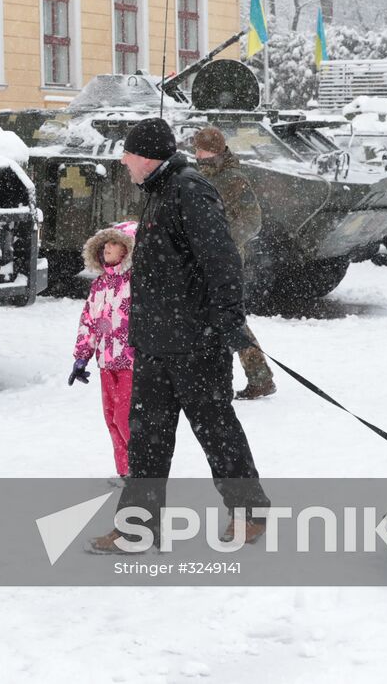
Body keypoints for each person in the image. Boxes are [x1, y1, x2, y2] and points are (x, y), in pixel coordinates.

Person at [91, 118, 270, 553]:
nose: (123, 161)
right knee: (146, 439)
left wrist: (226, 320)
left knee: (216, 429)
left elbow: (222, 258)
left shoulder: (190, 189)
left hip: (195, 341)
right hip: (155, 341)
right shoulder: (158, 191)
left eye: (128, 154)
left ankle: (249, 512)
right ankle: (139, 526)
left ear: (147, 157)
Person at [192, 126, 277, 400]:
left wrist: (223, 240)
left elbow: (252, 220)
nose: (197, 154)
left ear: (214, 150)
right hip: (203, 257)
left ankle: (258, 377)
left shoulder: (233, 179)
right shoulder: (201, 174)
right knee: (207, 315)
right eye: (196, 149)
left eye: (201, 150)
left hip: (225, 260)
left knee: (229, 317)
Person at [69, 221, 137, 479]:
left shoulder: (135, 282)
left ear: (127, 250)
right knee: (111, 419)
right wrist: (81, 357)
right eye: (105, 243)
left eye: (115, 243)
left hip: (131, 362)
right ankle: (124, 472)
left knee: (124, 418)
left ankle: (142, 470)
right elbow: (89, 322)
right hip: (106, 362)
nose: (107, 247)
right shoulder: (99, 285)